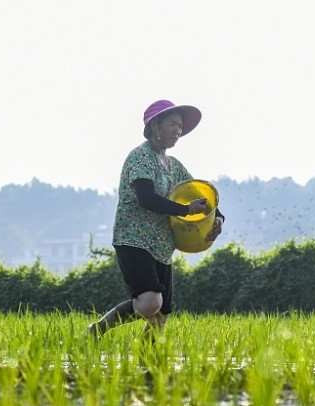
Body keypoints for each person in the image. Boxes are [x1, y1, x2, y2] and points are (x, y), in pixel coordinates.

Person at [88, 99, 224, 338]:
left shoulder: (174, 166)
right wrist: (185, 211)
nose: (178, 131)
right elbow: (147, 198)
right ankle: (97, 330)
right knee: (150, 303)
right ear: (155, 126)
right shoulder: (141, 158)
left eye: (180, 127)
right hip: (134, 240)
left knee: (161, 315)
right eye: (172, 124)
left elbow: (201, 195)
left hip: (161, 244)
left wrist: (218, 218)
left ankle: (147, 365)